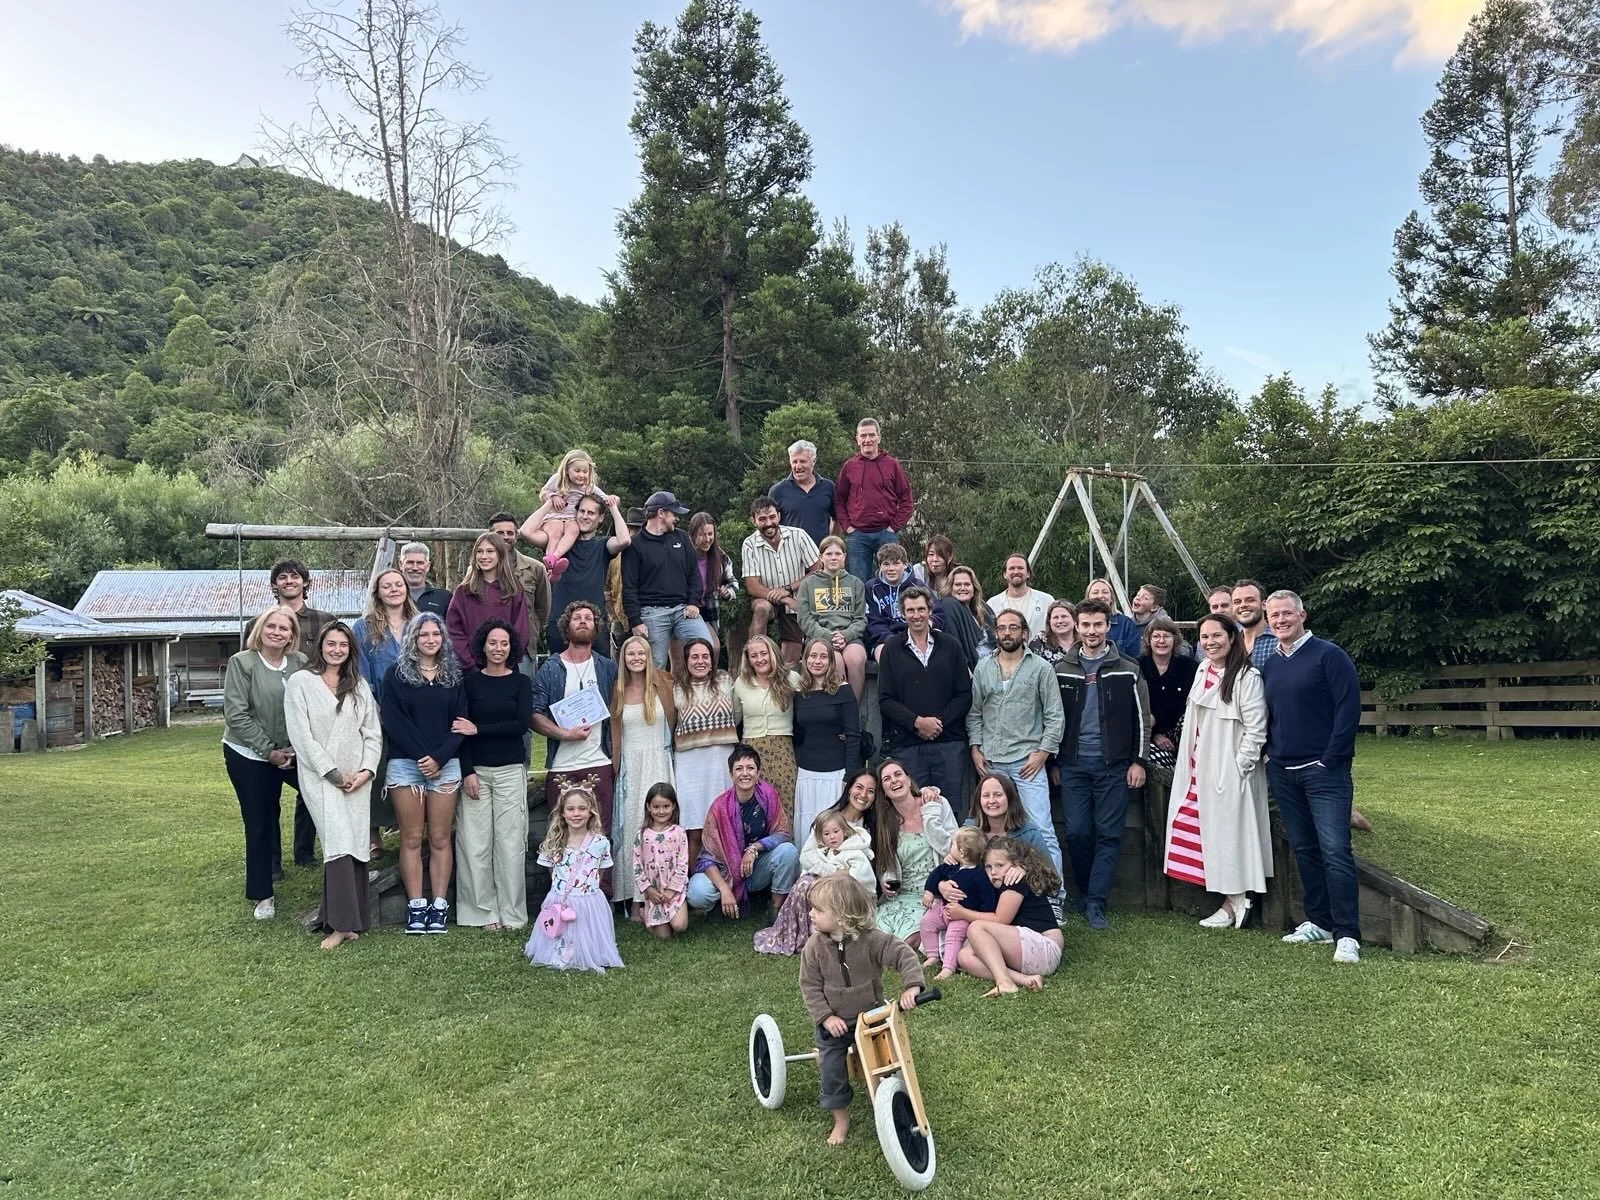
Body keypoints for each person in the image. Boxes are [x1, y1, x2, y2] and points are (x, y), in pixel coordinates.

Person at [1260, 589, 1364, 965]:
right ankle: (1318, 922)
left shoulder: (1329, 656)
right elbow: (1269, 714)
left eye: (1287, 614)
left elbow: (1348, 709)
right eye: (1275, 616)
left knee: (1335, 850)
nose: (1281, 620)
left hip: (1324, 772)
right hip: (1283, 771)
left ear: (1303, 615)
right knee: (1304, 849)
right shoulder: (1271, 663)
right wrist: (1271, 753)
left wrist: (1331, 758)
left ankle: (1347, 933)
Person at [800, 873, 927, 1146]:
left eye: (818, 909)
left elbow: (903, 954)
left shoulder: (872, 940)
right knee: (832, 1069)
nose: (811, 914)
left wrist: (912, 987)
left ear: (843, 916)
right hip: (835, 1024)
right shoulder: (814, 947)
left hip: (870, 1017)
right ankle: (841, 1118)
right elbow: (809, 986)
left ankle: (887, 1098)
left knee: (888, 1062)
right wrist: (825, 1017)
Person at [1167, 613, 1272, 929]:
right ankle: (1229, 899)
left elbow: (1256, 730)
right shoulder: (1202, 669)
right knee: (1201, 831)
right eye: (1205, 637)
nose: (1210, 642)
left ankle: (1237, 900)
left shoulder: (1246, 678)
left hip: (1230, 769)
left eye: (1217, 636)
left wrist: (1239, 767)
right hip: (1199, 766)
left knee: (1232, 834)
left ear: (1232, 637)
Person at [283, 621, 383, 949]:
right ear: (321, 646)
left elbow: (372, 732)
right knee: (337, 842)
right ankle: (339, 925)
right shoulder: (301, 683)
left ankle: (350, 920)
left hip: (357, 779)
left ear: (350, 649)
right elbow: (302, 735)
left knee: (355, 842)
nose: (336, 649)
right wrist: (332, 773)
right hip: (322, 778)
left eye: (343, 644)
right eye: (331, 644)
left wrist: (366, 771)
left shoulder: (359, 685)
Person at [1053, 598, 1150, 930]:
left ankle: (1096, 902)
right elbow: (1052, 719)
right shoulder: (1061, 668)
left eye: (1098, 624)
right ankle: (1081, 892)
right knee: (1078, 832)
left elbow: (1142, 720)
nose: (1092, 631)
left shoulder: (1127, 667)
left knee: (1109, 834)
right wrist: (1054, 761)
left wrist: (1139, 761)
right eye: (1086, 625)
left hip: (1113, 765)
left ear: (1108, 627)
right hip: (1073, 764)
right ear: (1077, 627)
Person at [380, 612, 467, 935]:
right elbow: (393, 720)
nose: (430, 640)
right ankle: (416, 905)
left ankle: (439, 904)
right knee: (413, 837)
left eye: (435, 635)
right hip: (406, 765)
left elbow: (461, 723)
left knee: (441, 836)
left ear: (443, 639)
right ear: (412, 640)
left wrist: (440, 758)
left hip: (446, 765)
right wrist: (423, 757)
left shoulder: (453, 676)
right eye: (423, 635)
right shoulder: (397, 675)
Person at [222, 606, 308, 921]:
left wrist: (296, 748)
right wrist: (269, 751)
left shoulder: (299, 663)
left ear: (292, 635)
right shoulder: (242, 663)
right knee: (259, 822)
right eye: (270, 626)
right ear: (260, 629)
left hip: (292, 752)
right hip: (248, 754)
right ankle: (263, 896)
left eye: (284, 628)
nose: (276, 631)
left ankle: (347, 873)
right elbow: (236, 714)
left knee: (328, 799)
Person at [967, 609, 1065, 876]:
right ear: (995, 633)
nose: (1007, 633)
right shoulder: (983, 667)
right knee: (991, 830)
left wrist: (1043, 752)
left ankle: (1054, 896)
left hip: (1027, 761)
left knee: (1041, 828)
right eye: (1001, 628)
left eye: (1013, 627)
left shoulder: (1041, 668)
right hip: (992, 762)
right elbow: (975, 712)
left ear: (1024, 632)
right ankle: (997, 888)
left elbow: (1055, 716)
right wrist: (975, 748)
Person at [531, 601, 621, 893]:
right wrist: (564, 734)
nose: (583, 622)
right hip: (562, 766)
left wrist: (616, 759)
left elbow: (617, 712)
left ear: (596, 628)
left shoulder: (607, 667)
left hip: (599, 761)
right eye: (577, 618)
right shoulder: (550, 668)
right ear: (566, 626)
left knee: (600, 833)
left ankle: (599, 898)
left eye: (589, 618)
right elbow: (534, 714)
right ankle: (561, 897)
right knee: (561, 832)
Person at [455, 619, 533, 932]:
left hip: (510, 771)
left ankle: (512, 914)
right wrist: (467, 772)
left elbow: (521, 724)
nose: (498, 649)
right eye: (492, 643)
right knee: (475, 844)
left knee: (511, 844)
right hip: (477, 773)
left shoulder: (521, 683)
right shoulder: (469, 683)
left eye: (504, 643)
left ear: (511, 647)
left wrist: (480, 729)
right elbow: (460, 730)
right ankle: (482, 913)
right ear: (482, 647)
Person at [754, 769, 877, 955]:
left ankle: (827, 940)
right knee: (806, 884)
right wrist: (832, 872)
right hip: (825, 877)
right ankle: (799, 936)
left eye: (871, 791)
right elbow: (807, 856)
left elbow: (864, 869)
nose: (863, 795)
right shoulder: (829, 818)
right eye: (859, 787)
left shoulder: (869, 828)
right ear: (849, 788)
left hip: (851, 887)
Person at [877, 585, 971, 806]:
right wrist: (917, 723)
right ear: (903, 613)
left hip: (948, 743)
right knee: (912, 810)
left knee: (948, 810)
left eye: (921, 609)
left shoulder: (951, 645)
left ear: (930, 611)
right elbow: (885, 700)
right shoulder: (892, 649)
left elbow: (965, 694)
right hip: (908, 746)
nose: (916, 615)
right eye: (910, 610)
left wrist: (938, 723)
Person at [686, 743, 800, 918]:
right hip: (725, 872)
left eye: (750, 768)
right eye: (739, 769)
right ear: (731, 775)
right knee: (696, 892)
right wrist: (724, 889)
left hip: (756, 869)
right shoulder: (719, 807)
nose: (745, 773)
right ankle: (722, 900)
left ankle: (777, 906)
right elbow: (707, 858)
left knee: (789, 851)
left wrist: (754, 848)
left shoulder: (768, 795)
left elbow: (782, 833)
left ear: (758, 773)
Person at [524, 784, 623, 972]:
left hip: (589, 899)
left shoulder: (600, 842)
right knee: (559, 932)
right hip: (561, 898)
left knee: (587, 932)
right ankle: (560, 952)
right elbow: (551, 871)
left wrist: (588, 892)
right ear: (562, 813)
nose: (576, 814)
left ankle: (587, 953)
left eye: (582, 808)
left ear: (591, 811)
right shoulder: (554, 841)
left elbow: (600, 871)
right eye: (570, 809)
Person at [352, 567, 416, 858]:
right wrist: (373, 706)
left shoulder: (420, 623)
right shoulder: (363, 628)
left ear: (406, 589)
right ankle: (373, 833)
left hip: (418, 709)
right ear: (377, 592)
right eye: (386, 586)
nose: (393, 589)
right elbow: (359, 672)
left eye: (398, 584)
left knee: (411, 767)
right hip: (377, 709)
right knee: (376, 769)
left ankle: (410, 827)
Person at [949, 837, 1065, 997]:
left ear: (1016, 865)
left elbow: (1000, 920)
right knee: (965, 956)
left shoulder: (1014, 882)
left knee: (976, 927)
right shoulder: (996, 884)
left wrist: (962, 913)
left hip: (1045, 947)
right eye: (988, 867)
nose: (993, 872)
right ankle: (1024, 980)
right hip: (1029, 953)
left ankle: (1004, 981)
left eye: (1000, 866)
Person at [610, 634, 676, 915]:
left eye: (641, 653)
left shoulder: (662, 683)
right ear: (623, 658)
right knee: (633, 830)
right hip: (631, 767)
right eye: (630, 654)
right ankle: (636, 898)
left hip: (658, 761)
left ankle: (665, 892)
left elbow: (673, 720)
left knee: (662, 827)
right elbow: (615, 735)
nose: (636, 658)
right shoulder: (618, 689)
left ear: (649, 656)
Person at [525, 493, 631, 658]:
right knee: (560, 679)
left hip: (595, 623)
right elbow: (525, 531)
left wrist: (613, 507)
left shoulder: (602, 545)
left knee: (599, 678)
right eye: (581, 511)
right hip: (560, 623)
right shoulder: (559, 543)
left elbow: (624, 540)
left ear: (600, 517)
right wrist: (549, 504)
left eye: (591, 513)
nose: (585, 516)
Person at [869, 759, 958, 945]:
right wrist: (886, 880)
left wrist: (931, 816)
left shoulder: (937, 803)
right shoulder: (886, 822)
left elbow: (953, 849)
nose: (894, 780)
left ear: (909, 779)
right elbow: (885, 862)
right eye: (886, 779)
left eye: (898, 774)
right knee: (875, 935)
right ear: (883, 792)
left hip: (933, 893)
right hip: (902, 894)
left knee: (905, 940)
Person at [622, 490, 710, 669]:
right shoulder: (635, 545)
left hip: (683, 609)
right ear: (661, 513)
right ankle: (656, 697)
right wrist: (635, 621)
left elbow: (694, 573)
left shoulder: (682, 537)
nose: (676, 519)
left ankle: (699, 696)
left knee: (705, 648)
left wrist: (694, 602)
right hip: (651, 613)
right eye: (674, 514)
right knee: (655, 666)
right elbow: (629, 587)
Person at [1140, 613, 1198, 881]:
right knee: (1154, 759)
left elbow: (1190, 705)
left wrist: (1169, 730)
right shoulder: (1139, 666)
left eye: (1166, 635)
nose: (1161, 640)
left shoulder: (1188, 666)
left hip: (1182, 730)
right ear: (1148, 640)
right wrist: (1153, 733)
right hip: (1150, 733)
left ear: (1175, 639)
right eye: (1156, 635)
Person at [671, 637, 738, 858]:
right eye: (695, 657)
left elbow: (737, 713)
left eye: (705, 656)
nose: (700, 661)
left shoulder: (725, 680)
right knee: (694, 829)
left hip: (720, 760)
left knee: (723, 825)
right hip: (690, 765)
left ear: (712, 659)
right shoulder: (677, 687)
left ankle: (728, 882)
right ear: (686, 660)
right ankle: (690, 883)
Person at [791, 641, 861, 836]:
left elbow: (854, 736)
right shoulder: (799, 693)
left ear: (831, 661)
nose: (817, 661)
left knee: (834, 830)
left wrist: (849, 776)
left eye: (823, 657)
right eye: (813, 656)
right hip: (806, 774)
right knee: (807, 831)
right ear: (805, 660)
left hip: (836, 774)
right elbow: (797, 734)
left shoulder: (843, 690)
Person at [741, 495, 820, 666]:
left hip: (796, 600)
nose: (768, 523)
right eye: (762, 519)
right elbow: (752, 585)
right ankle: (755, 660)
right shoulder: (749, 544)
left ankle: (782, 680)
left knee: (790, 661)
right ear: (753, 521)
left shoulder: (798, 536)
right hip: (766, 598)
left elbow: (818, 570)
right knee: (761, 608)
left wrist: (789, 589)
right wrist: (783, 596)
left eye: (771, 517)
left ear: (778, 516)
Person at [834, 417, 914, 586]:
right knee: (858, 584)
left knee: (893, 581)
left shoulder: (891, 465)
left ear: (879, 437)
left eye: (871, 435)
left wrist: (894, 527)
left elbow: (906, 499)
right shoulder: (849, 467)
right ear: (857, 439)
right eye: (863, 436)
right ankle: (862, 614)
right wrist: (848, 527)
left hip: (886, 533)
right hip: (858, 536)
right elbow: (839, 500)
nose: (867, 440)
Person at [919, 827, 998, 980]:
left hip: (963, 917)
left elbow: (988, 901)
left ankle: (948, 967)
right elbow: (936, 874)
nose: (950, 848)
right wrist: (929, 891)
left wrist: (976, 918)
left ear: (962, 852)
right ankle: (932, 954)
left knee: (953, 936)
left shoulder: (980, 876)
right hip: (943, 908)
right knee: (926, 922)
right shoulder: (951, 866)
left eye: (953, 845)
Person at [797, 535, 868, 702]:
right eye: (829, 554)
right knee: (834, 660)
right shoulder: (808, 584)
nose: (833, 557)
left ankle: (853, 709)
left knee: (856, 658)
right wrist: (828, 636)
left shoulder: (855, 583)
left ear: (844, 556)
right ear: (821, 557)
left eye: (838, 553)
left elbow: (860, 618)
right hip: (820, 637)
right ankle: (838, 710)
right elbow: (804, 619)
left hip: (849, 636)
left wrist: (846, 635)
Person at [446, 532, 529, 674]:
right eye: (479, 551)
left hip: (506, 670)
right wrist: (470, 665)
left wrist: (506, 664)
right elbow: (454, 631)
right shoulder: (464, 592)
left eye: (490, 551)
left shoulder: (514, 590)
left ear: (500, 554)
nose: (484, 556)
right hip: (471, 671)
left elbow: (521, 631)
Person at [734, 634, 797, 818]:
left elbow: (812, 703)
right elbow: (734, 719)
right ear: (748, 660)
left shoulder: (791, 678)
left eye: (764, 653)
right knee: (753, 808)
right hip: (751, 752)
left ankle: (784, 846)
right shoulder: (741, 683)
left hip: (782, 751)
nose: (760, 659)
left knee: (783, 806)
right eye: (754, 656)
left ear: (773, 653)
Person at [533, 448, 615, 581]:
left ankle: (556, 557)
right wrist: (553, 497)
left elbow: (604, 497)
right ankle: (550, 560)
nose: (581, 475)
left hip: (571, 518)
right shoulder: (557, 479)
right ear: (566, 470)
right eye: (577, 471)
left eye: (585, 471)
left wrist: (612, 499)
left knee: (574, 530)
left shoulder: (588, 486)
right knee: (556, 531)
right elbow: (543, 492)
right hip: (555, 516)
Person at [488, 511, 551, 661]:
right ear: (490, 536)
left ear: (516, 535)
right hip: (488, 648)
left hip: (524, 649)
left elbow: (543, 610)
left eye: (510, 533)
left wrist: (531, 632)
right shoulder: (478, 570)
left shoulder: (535, 568)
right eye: (500, 533)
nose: (505, 537)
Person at [865, 542, 943, 660]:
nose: (891, 569)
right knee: (884, 653)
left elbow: (938, 613)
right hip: (885, 638)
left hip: (917, 633)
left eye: (896, 563)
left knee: (937, 640)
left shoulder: (917, 585)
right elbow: (873, 622)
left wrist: (930, 623)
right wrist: (891, 639)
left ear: (905, 564)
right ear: (880, 566)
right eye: (886, 564)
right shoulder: (872, 588)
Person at [633, 783, 690, 939]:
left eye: (666, 806)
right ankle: (645, 915)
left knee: (679, 926)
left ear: (673, 807)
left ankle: (676, 913)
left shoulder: (679, 833)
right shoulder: (642, 835)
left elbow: (683, 864)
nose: (661, 811)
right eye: (656, 807)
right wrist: (648, 890)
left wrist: (672, 890)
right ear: (648, 807)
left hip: (674, 891)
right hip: (655, 893)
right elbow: (637, 866)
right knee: (663, 937)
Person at [962, 772, 1054, 861]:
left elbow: (1050, 873)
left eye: (998, 795)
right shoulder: (968, 831)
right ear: (979, 800)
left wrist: (1024, 868)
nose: (991, 800)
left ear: (1010, 798)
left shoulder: (1029, 834)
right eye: (986, 795)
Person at [768, 438, 836, 548]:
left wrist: (831, 544)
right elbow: (770, 524)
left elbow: (837, 518)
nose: (798, 467)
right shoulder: (777, 491)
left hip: (819, 555)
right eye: (794, 461)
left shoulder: (828, 487)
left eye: (803, 461)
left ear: (813, 461)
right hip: (789, 555)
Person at [689, 511, 738, 661]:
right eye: (702, 535)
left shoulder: (720, 557)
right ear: (692, 534)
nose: (707, 539)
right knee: (681, 658)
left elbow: (734, 584)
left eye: (710, 534)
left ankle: (710, 681)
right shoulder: (683, 555)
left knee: (714, 648)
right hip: (684, 610)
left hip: (707, 611)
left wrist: (727, 592)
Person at [270, 559, 334, 658]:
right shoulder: (258, 625)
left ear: (305, 582)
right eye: (283, 577)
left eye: (295, 577)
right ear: (274, 584)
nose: (289, 581)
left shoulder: (326, 621)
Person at [986, 553, 1054, 639]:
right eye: (1011, 568)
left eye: (1020, 568)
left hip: (1040, 652)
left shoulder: (1046, 600)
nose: (1016, 572)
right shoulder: (992, 604)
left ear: (1028, 573)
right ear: (1005, 574)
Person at [942, 564, 996, 668]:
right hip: (974, 669)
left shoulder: (983, 607)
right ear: (950, 588)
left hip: (995, 664)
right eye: (958, 585)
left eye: (967, 584)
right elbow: (954, 645)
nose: (963, 588)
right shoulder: (948, 606)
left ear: (974, 587)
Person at [1085, 578, 1142, 660]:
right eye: (1095, 592)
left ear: (1111, 598)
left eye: (1105, 592)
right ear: (1088, 598)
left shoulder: (1126, 624)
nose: (1101, 596)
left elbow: (1134, 658)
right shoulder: (1078, 623)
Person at [1231, 579, 1276, 670]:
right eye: (1237, 602)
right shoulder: (1230, 641)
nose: (1243, 605)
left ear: (1264, 605)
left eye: (1250, 600)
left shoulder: (1279, 640)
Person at [398, 542, 452, 617]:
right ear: (401, 564)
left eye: (420, 563)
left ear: (427, 566)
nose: (415, 568)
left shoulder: (444, 597)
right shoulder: (392, 595)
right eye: (410, 562)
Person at [1029, 599, 1077, 664]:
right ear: (1049, 621)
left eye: (1064, 616)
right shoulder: (1040, 640)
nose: (1060, 621)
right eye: (1055, 617)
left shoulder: (1084, 641)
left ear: (1074, 619)